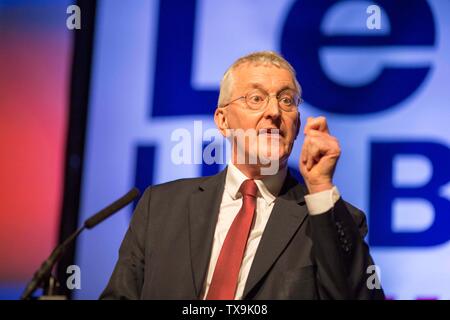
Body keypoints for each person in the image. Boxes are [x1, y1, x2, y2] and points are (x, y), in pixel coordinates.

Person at [100, 51, 384, 300]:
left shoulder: (329, 218)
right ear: (223, 121)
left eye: (287, 100)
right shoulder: (160, 206)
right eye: (256, 98)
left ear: (296, 125)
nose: (274, 111)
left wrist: (321, 188)